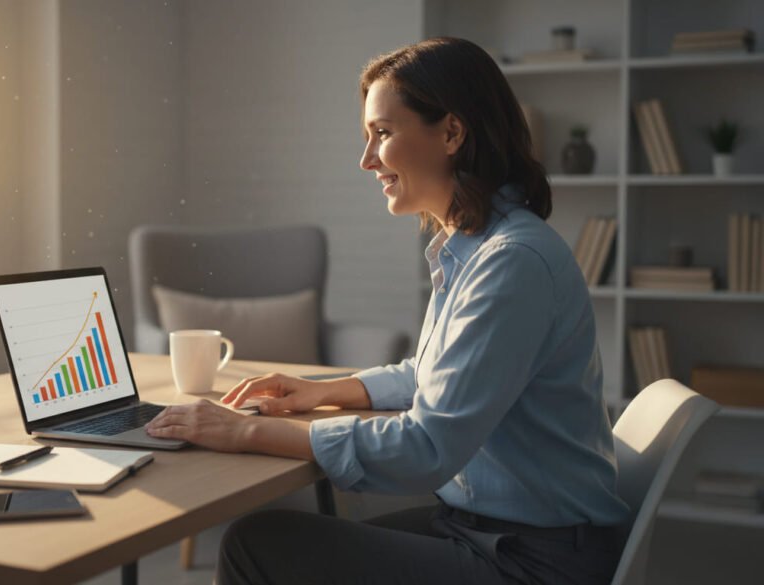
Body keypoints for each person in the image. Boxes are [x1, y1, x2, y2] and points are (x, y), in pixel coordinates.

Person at [145, 37, 629, 585]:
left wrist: (243, 433)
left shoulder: (510, 262)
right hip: (493, 531)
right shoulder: (480, 247)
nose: (367, 159)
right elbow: (437, 376)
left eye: (382, 133)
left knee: (255, 546)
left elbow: (426, 447)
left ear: (451, 133)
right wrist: (322, 390)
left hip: (531, 561)